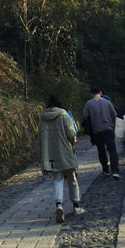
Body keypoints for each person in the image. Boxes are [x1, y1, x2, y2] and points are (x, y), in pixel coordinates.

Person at [40, 94, 85, 223]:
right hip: (65, 152)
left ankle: (59, 205)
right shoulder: (63, 115)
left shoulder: (42, 118)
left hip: (51, 154)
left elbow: (39, 138)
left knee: (57, 179)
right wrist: (74, 140)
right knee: (72, 179)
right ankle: (76, 205)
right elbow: (72, 134)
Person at [83, 86, 119, 178]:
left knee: (101, 150)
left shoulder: (88, 104)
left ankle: (106, 169)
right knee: (112, 150)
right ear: (101, 92)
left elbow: (85, 116)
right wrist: (113, 124)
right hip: (108, 129)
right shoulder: (107, 102)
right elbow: (114, 114)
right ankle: (115, 170)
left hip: (97, 130)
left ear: (91, 94)